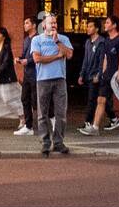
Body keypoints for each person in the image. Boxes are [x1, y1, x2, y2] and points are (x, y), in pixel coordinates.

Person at [30, 12, 73, 156]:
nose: (53, 25)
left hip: (60, 79)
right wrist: (56, 57)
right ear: (44, 25)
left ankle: (59, 142)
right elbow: (37, 58)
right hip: (43, 79)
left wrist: (57, 42)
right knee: (42, 113)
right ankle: (45, 142)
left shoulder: (63, 39)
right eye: (50, 23)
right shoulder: (37, 40)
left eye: (55, 23)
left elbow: (69, 54)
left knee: (61, 113)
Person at [93, 13, 119, 136]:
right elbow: (106, 58)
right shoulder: (106, 41)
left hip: (117, 76)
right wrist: (103, 73)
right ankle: (95, 127)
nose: (105, 25)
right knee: (100, 100)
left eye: (107, 22)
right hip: (107, 76)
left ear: (114, 25)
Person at [77, 17, 106, 135]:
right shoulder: (88, 42)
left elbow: (102, 60)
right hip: (88, 74)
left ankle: (88, 122)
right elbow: (85, 59)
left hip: (96, 75)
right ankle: (114, 118)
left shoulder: (101, 42)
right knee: (99, 100)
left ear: (97, 29)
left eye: (90, 26)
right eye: (87, 26)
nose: (87, 28)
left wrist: (99, 74)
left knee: (92, 99)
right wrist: (81, 74)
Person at [14, 16, 38, 136]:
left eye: (27, 23)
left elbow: (38, 56)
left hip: (36, 74)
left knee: (37, 101)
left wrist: (27, 61)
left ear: (34, 25)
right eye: (24, 23)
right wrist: (19, 58)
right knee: (25, 99)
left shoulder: (38, 38)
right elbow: (24, 54)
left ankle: (50, 120)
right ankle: (28, 126)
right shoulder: (26, 40)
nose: (25, 25)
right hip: (27, 74)